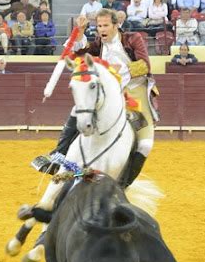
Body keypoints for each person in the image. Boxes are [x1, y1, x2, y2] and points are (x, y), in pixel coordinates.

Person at [36, 9, 158, 187]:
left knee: (145, 144)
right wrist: (80, 32)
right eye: (99, 26)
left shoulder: (133, 38)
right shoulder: (99, 43)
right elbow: (79, 54)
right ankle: (58, 156)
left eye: (106, 25)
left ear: (116, 25)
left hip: (135, 90)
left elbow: (144, 65)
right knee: (80, 108)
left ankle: (123, 185)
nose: (102, 29)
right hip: (111, 90)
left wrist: (116, 69)